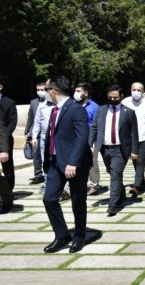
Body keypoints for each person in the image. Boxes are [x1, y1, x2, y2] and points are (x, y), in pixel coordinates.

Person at [41, 76, 94, 253]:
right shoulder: (54, 109)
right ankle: (62, 235)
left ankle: (79, 237)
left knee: (78, 202)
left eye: (47, 89)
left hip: (75, 163)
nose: (46, 92)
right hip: (56, 163)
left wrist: (73, 162)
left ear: (53, 91)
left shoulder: (76, 109)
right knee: (49, 199)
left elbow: (82, 137)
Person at [90, 85, 139, 216]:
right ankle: (120, 193)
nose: (112, 99)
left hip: (120, 149)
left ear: (121, 97)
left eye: (115, 97)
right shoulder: (101, 110)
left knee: (115, 175)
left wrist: (134, 151)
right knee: (112, 172)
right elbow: (94, 128)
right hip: (105, 148)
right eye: (110, 97)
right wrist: (89, 144)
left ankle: (113, 205)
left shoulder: (129, 112)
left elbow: (134, 133)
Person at [122, 82, 145, 197]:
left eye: (139, 90)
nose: (136, 92)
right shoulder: (125, 102)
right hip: (130, 138)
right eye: (134, 89)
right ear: (130, 90)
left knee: (140, 160)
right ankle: (142, 183)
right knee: (135, 161)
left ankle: (136, 186)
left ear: (143, 91)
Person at [73, 83, 100, 196]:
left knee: (91, 163)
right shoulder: (73, 105)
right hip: (75, 137)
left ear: (86, 93)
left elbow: (97, 126)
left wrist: (94, 143)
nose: (76, 93)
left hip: (89, 138)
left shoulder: (94, 107)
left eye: (79, 91)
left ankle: (94, 185)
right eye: (75, 90)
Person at [24, 80, 48, 184]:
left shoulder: (51, 102)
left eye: (42, 90)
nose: (40, 91)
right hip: (34, 133)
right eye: (38, 90)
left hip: (46, 133)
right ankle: (38, 174)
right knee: (35, 155)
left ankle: (48, 174)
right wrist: (27, 132)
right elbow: (31, 118)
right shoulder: (34, 102)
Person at [0, 76, 18, 191]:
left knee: (7, 168)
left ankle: (8, 191)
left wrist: (4, 136)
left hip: (5, 139)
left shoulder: (9, 102)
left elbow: (12, 122)